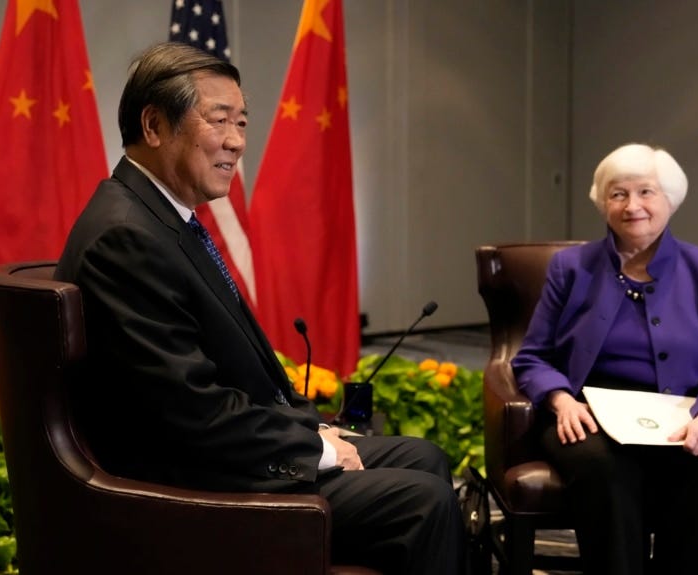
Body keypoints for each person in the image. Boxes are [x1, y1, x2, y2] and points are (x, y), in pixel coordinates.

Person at [54, 42, 464, 574]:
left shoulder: (158, 217)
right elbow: (189, 410)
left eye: (242, 123)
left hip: (216, 453)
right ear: (153, 125)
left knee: (424, 458)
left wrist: (310, 431)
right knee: (423, 502)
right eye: (219, 120)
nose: (236, 142)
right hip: (186, 487)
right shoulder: (126, 238)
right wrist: (311, 449)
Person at [510, 143, 698, 575]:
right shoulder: (570, 268)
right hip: (589, 417)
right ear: (603, 202)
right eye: (618, 193)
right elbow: (532, 358)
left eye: (646, 192)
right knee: (600, 466)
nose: (632, 206)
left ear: (670, 200)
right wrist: (561, 402)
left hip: (685, 415)